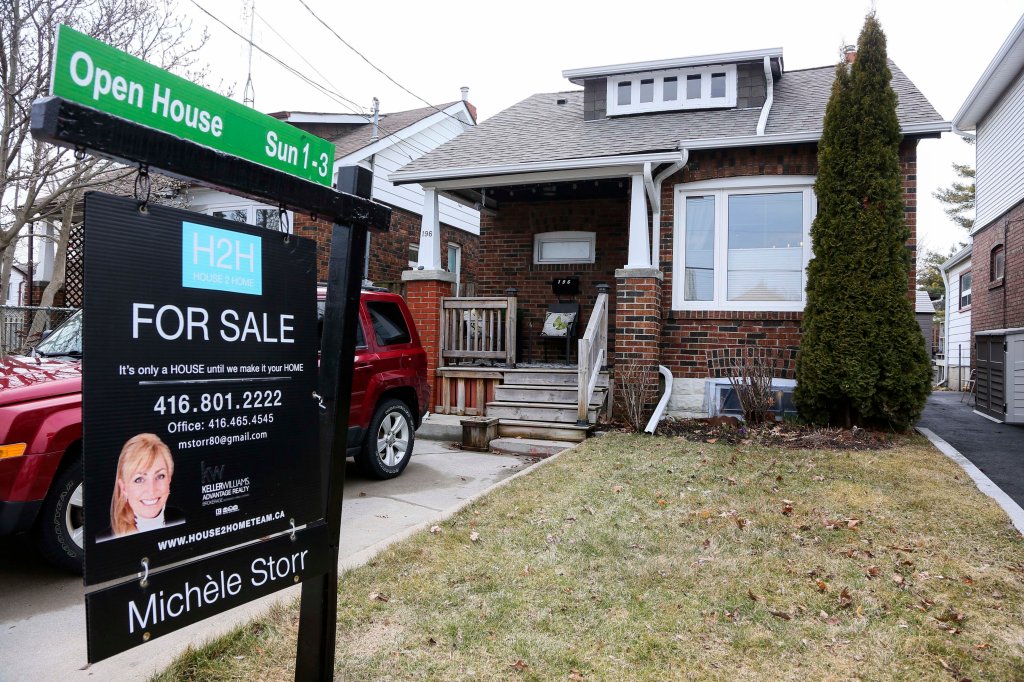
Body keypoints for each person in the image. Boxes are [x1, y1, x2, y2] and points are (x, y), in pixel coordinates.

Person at [104, 433, 185, 539]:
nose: (151, 490)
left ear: (169, 479)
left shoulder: (180, 517)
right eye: (139, 479)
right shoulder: (108, 538)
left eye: (160, 476)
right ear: (123, 488)